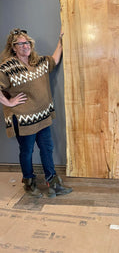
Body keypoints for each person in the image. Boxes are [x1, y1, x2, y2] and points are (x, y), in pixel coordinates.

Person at [0, 28, 72, 198]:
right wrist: (9, 102)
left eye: (27, 42)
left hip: (42, 116)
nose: (25, 46)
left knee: (47, 149)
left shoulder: (37, 62)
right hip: (23, 119)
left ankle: (52, 182)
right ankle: (29, 182)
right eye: (20, 44)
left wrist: (61, 39)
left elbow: (54, 60)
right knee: (27, 151)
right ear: (13, 47)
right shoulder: (7, 67)